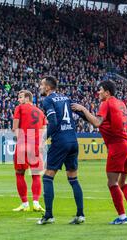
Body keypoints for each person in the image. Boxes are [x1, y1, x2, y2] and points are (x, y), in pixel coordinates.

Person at [72, 80, 127, 225]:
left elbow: (97, 123)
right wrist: (83, 114)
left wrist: (83, 109)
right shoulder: (120, 103)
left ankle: (122, 217)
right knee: (122, 182)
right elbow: (103, 123)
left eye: (100, 90)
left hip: (117, 146)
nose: (98, 92)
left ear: (107, 92)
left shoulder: (106, 103)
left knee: (112, 183)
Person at [38, 76, 85, 225]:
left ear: (47, 87)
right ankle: (80, 214)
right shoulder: (66, 98)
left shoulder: (48, 100)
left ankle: (49, 215)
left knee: (47, 177)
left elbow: (53, 122)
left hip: (60, 141)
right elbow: (80, 113)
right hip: (72, 140)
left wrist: (43, 138)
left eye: (41, 85)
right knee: (73, 179)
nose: (40, 87)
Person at [12, 90, 46, 213]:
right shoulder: (40, 112)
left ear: (27, 98)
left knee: (19, 173)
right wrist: (41, 144)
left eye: (20, 97)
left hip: (23, 144)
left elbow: (15, 127)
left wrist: (18, 139)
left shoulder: (20, 108)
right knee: (36, 174)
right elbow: (43, 129)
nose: (18, 100)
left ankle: (25, 204)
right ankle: (36, 203)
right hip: (35, 145)